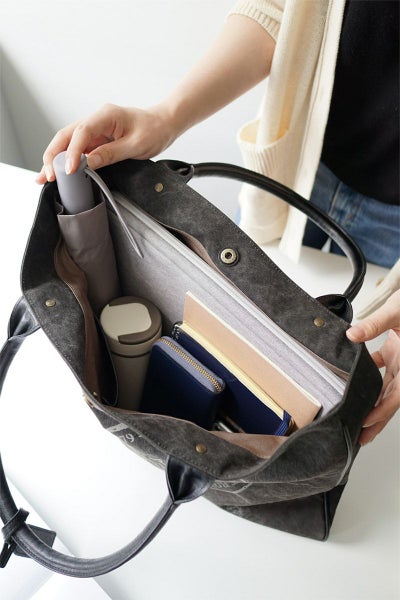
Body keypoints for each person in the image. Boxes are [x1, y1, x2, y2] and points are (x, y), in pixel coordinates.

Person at [36, 1, 399, 443]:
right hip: (298, 164)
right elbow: (279, 9)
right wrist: (165, 118)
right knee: (235, 296)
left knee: (342, 362)